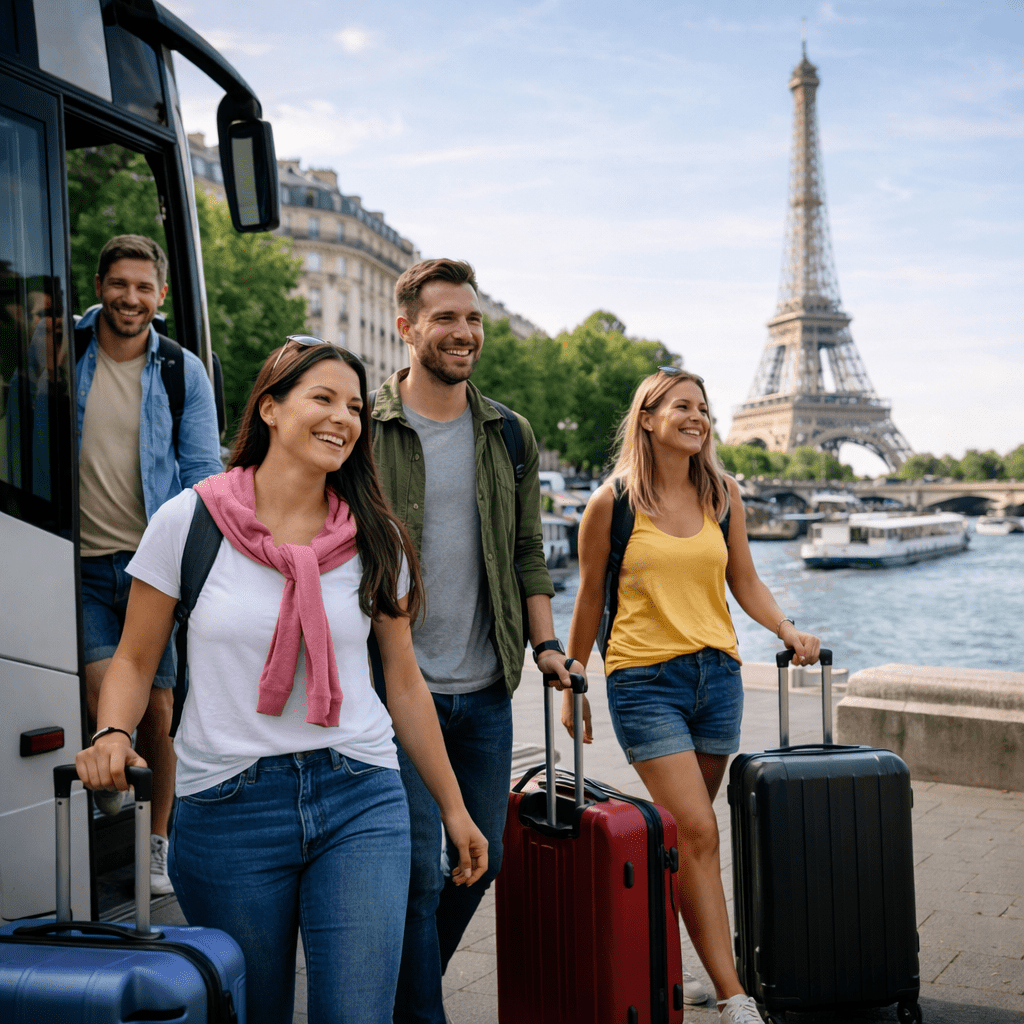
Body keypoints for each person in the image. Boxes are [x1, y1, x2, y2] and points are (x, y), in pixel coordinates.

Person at [75, 337, 489, 1024]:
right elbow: (134, 659)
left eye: (354, 405)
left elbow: (404, 683)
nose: (344, 418)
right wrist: (113, 732)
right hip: (227, 807)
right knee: (253, 1012)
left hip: (359, 795)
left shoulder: (376, 536)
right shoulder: (189, 521)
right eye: (322, 398)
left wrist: (452, 807)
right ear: (269, 407)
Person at [561, 367, 821, 1024]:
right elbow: (590, 597)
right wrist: (573, 682)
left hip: (718, 682)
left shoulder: (722, 493)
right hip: (644, 682)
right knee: (700, 831)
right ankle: (736, 997)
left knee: (684, 839)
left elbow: (746, 580)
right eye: (681, 405)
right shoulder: (611, 502)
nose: (696, 416)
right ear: (647, 418)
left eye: (703, 407)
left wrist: (787, 628)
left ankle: (690, 966)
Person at [372, 258, 585, 1024]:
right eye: (445, 319)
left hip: (487, 688)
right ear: (407, 329)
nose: (465, 333)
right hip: (395, 693)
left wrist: (547, 645)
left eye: (473, 319)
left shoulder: (508, 432)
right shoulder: (367, 428)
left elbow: (529, 549)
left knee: (478, 863)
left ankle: (394, 992)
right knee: (417, 877)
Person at [76, 235, 222, 894]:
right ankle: (114, 795)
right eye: (120, 284)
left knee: (158, 711)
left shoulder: (180, 370)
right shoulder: (64, 346)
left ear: (160, 296)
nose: (130, 298)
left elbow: (202, 474)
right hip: (78, 561)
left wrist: (200, 568)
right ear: (100, 284)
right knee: (103, 691)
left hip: (149, 570)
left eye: (144, 288)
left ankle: (158, 841)